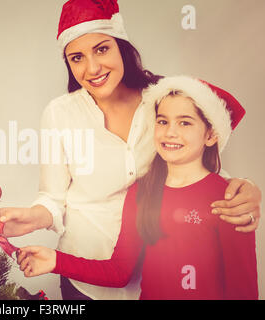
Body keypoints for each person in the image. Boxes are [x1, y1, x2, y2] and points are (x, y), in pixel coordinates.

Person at [0, 0, 262, 300]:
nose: (92, 68)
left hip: (160, 278)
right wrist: (35, 216)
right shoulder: (60, 113)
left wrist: (243, 188)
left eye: (102, 49)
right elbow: (53, 197)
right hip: (86, 275)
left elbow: (197, 165)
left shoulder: (162, 101)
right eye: (77, 57)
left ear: (122, 46)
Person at [17, 75, 258, 300]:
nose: (170, 132)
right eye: (163, 121)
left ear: (211, 135)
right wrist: (55, 261)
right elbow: (119, 272)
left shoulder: (229, 200)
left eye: (185, 123)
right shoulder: (143, 191)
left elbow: (243, 290)